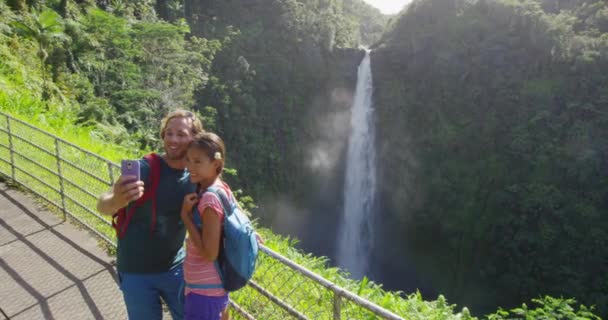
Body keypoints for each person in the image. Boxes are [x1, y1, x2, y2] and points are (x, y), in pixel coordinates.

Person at [96, 109, 204, 320]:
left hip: (175, 268)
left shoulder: (196, 176)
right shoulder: (145, 169)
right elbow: (102, 205)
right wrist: (118, 200)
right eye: (169, 133)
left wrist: (243, 231)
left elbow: (219, 199)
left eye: (181, 134)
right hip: (136, 272)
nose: (173, 139)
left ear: (194, 138)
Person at [180, 132, 233, 320]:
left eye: (197, 162)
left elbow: (210, 253)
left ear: (216, 164)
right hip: (214, 286)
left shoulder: (210, 199)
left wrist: (185, 216)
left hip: (205, 292)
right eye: (188, 160)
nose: (190, 167)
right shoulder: (222, 188)